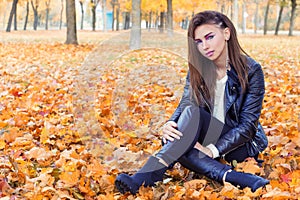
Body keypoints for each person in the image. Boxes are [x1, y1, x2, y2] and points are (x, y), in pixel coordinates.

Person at [114, 10, 269, 195]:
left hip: (240, 146)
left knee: (183, 144)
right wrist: (170, 124)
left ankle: (143, 177)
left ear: (226, 33)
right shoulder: (199, 69)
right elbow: (186, 104)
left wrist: (212, 150)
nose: (205, 46)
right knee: (187, 119)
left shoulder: (251, 70)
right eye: (199, 42)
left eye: (210, 37)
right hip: (208, 136)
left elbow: (247, 127)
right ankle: (236, 178)